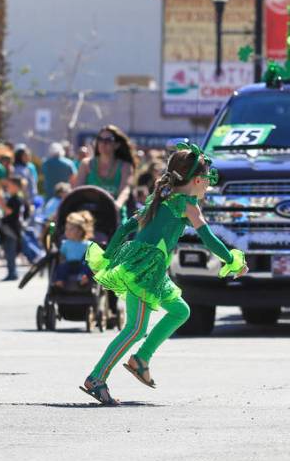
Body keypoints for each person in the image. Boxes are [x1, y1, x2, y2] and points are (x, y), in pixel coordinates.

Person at [80, 144, 247, 406]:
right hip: (147, 269)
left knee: (180, 311)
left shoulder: (161, 198)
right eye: (206, 181)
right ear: (196, 180)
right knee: (135, 329)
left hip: (143, 266)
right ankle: (97, 377)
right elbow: (209, 239)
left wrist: (110, 256)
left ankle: (141, 360)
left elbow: (125, 228)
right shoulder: (187, 205)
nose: (208, 187)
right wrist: (233, 260)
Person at [73, 125, 136, 211]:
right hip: (90, 214)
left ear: (116, 145)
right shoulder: (86, 164)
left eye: (108, 140)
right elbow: (78, 191)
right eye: (100, 139)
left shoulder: (125, 166)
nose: (103, 143)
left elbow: (125, 190)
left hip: (115, 215)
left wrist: (117, 204)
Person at [53, 211, 93, 289]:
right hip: (69, 264)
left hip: (81, 264)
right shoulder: (65, 243)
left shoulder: (88, 244)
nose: (67, 232)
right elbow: (62, 255)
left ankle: (82, 278)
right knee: (62, 267)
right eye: (66, 229)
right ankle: (60, 281)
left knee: (87, 266)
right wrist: (62, 262)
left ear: (80, 231)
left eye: (70, 229)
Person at [0, 177, 26, 282]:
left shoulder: (15, 199)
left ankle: (12, 272)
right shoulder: (19, 198)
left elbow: (9, 212)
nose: (8, 188)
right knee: (10, 251)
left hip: (11, 228)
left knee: (10, 251)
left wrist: (1, 203)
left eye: (10, 186)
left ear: (16, 186)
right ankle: (12, 271)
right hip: (14, 228)